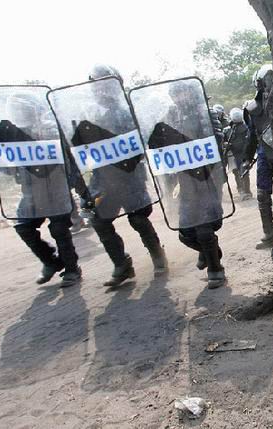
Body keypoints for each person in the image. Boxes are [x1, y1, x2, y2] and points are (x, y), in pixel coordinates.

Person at [78, 64, 167, 286]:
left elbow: (141, 139)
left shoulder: (128, 110)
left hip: (130, 176)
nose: (99, 91)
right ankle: (122, 264)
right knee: (99, 221)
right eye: (95, 86)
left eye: (103, 85)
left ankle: (158, 257)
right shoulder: (90, 113)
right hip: (103, 178)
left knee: (138, 218)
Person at [0, 92, 82, 287]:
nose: (19, 112)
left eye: (22, 109)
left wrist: (81, 189)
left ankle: (72, 269)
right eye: (16, 109)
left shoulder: (50, 130)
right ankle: (51, 261)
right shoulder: (14, 134)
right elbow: (7, 169)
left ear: (33, 110)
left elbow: (69, 160)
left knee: (59, 229)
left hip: (56, 188)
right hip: (31, 191)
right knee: (23, 226)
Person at [147, 80, 225, 289]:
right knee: (186, 233)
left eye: (183, 93)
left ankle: (215, 269)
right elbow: (157, 143)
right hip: (185, 180)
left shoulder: (204, 113)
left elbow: (217, 142)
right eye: (176, 94)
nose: (180, 97)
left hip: (207, 178)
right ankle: (210, 253)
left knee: (204, 228)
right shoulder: (170, 115)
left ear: (191, 93)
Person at [243, 63, 273, 249]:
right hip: (263, 155)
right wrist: (246, 157)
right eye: (266, 80)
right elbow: (252, 135)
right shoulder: (252, 108)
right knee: (262, 195)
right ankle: (269, 234)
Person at [225, 107, 253, 201]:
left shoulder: (246, 127)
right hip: (235, 154)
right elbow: (225, 142)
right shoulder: (229, 130)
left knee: (242, 172)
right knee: (239, 172)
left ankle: (246, 191)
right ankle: (243, 191)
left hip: (242, 153)